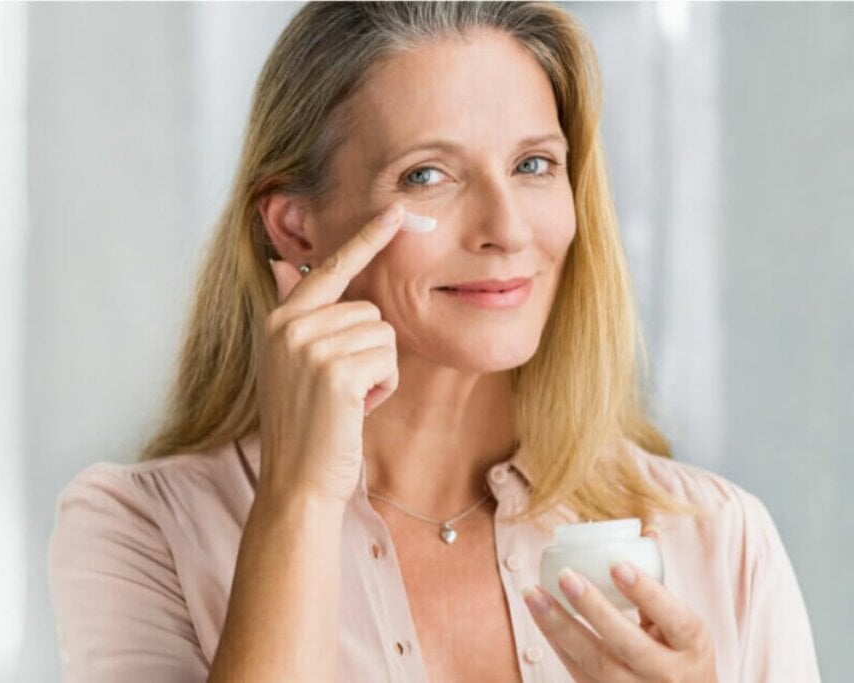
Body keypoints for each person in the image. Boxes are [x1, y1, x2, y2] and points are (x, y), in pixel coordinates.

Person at [47, 2, 820, 681]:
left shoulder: (720, 541)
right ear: (296, 224)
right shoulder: (141, 530)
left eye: (533, 165)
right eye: (427, 176)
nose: (507, 230)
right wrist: (301, 499)